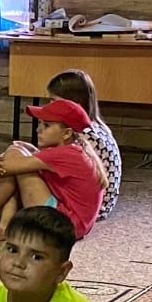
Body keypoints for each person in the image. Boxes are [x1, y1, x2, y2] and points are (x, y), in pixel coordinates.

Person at [0, 97, 106, 242]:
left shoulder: (65, 154)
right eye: (40, 123)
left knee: (15, 156)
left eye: (46, 125)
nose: (38, 129)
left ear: (66, 133)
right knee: (17, 158)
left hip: (63, 225)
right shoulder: (76, 149)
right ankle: (4, 225)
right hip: (73, 225)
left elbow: (5, 167)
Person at [47, 69, 122, 220]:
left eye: (54, 101)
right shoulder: (97, 127)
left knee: (27, 176)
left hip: (91, 207)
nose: (49, 106)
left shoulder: (81, 134)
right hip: (102, 202)